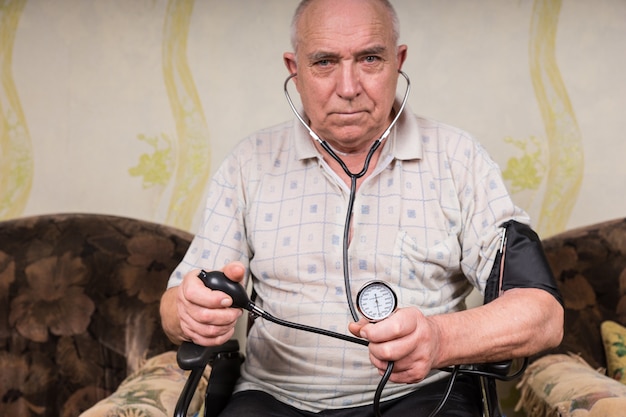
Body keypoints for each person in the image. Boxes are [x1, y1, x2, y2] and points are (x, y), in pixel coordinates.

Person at [160, 0, 564, 416]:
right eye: (324, 62)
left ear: (398, 60)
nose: (349, 87)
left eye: (370, 58)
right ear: (294, 71)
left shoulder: (458, 158)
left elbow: (543, 314)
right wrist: (189, 312)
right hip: (273, 399)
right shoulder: (248, 163)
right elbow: (174, 306)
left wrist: (440, 339)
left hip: (422, 396)